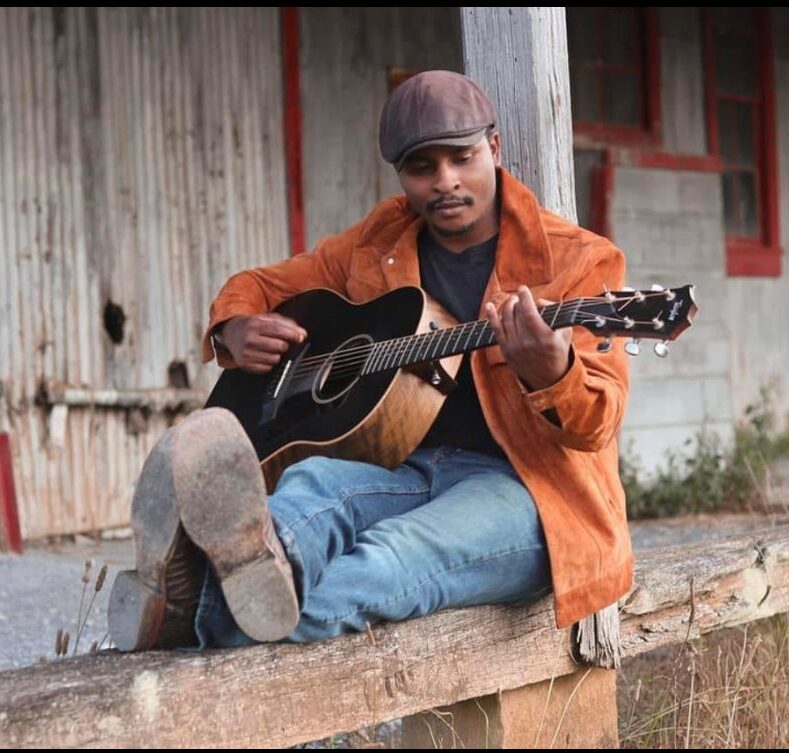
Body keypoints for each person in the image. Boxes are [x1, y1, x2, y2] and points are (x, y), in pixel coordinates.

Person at [108, 70, 632, 652]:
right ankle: (232, 562)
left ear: (494, 147)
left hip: (529, 494)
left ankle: (193, 604)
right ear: (400, 175)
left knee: (388, 561)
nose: (445, 182)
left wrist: (552, 373)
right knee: (312, 485)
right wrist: (235, 326)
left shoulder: (578, 261)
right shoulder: (381, 241)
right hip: (403, 468)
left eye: (461, 159)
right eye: (421, 168)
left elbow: (597, 423)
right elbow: (259, 284)